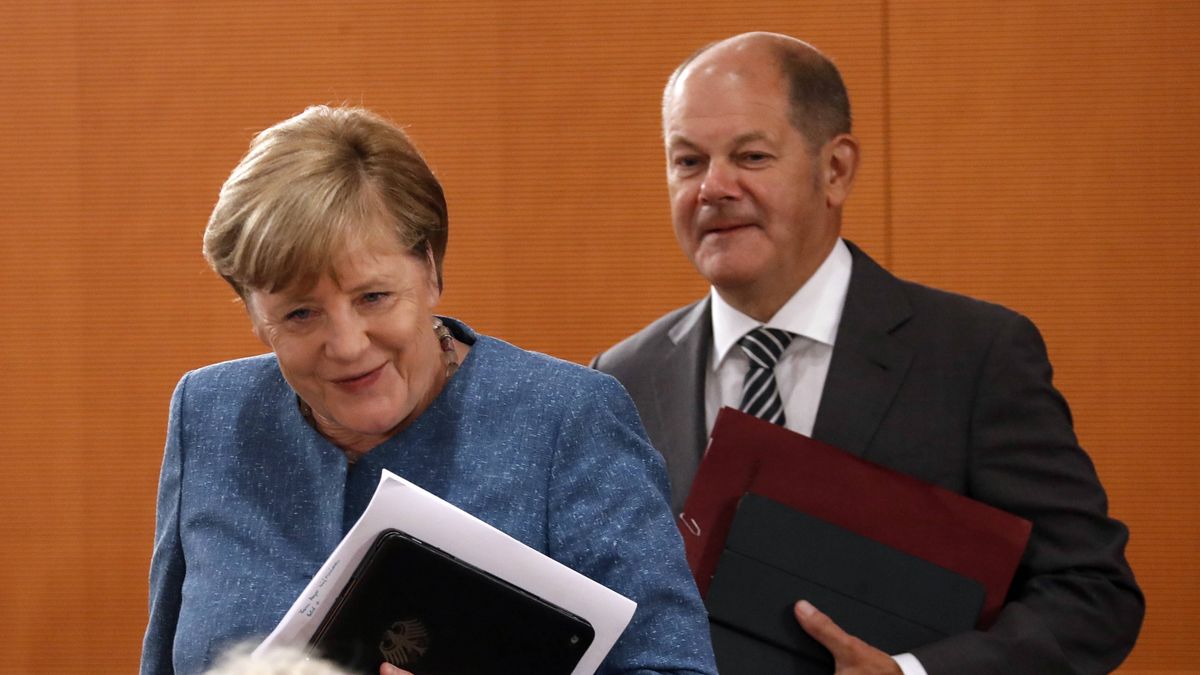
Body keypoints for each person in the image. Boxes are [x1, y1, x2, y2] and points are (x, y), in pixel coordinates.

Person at [592, 32, 1143, 674]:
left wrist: (913, 674)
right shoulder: (623, 378)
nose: (714, 187)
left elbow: (1093, 596)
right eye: (687, 161)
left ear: (836, 169)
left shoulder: (975, 356)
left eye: (751, 156)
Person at [141, 105, 718, 675]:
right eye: (299, 314)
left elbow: (672, 668)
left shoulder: (564, 419)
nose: (345, 344)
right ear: (253, 315)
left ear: (430, 269)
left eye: (372, 297)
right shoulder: (209, 414)